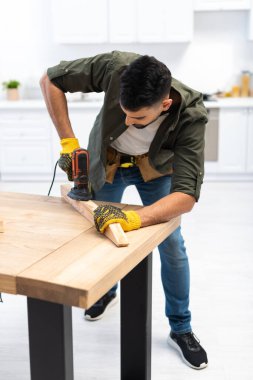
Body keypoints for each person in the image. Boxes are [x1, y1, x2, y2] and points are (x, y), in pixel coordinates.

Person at [40, 51, 208, 370]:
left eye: (139, 119)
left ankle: (181, 328)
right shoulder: (115, 68)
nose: (129, 122)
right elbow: (50, 80)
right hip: (110, 162)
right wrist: (68, 144)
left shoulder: (191, 112)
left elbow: (186, 196)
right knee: (99, 232)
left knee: (172, 245)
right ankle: (106, 292)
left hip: (157, 169)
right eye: (125, 113)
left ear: (165, 105)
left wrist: (134, 219)